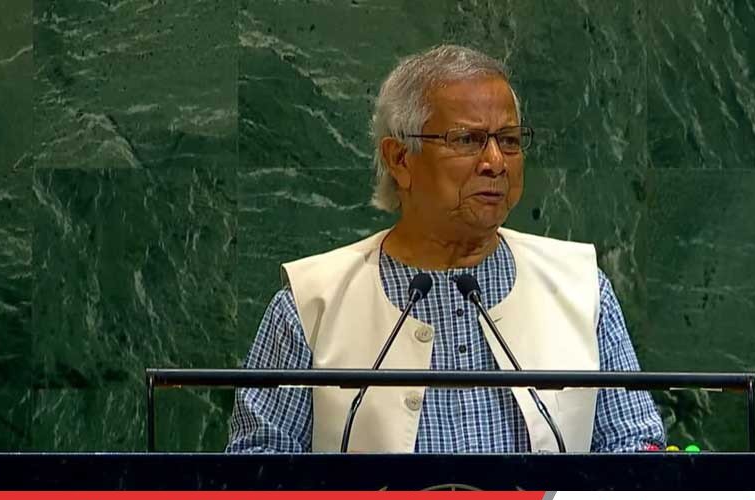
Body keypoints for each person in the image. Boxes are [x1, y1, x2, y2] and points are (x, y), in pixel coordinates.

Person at [227, 44, 664, 453]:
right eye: (468, 140)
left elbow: (634, 444)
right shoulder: (311, 304)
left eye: (509, 140)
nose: (495, 162)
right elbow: (257, 466)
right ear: (400, 159)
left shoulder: (580, 288)